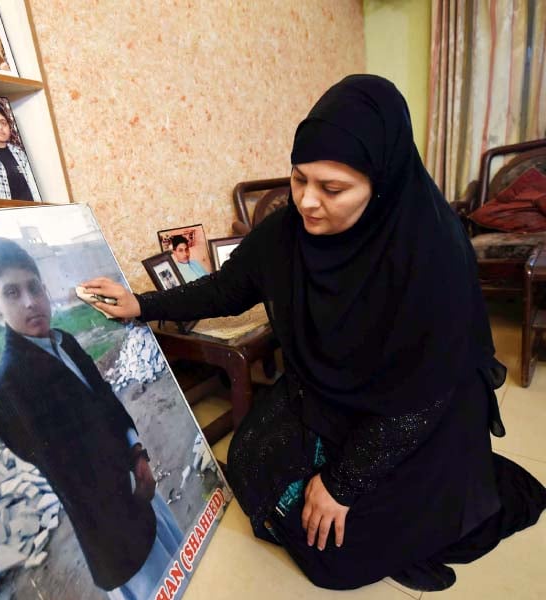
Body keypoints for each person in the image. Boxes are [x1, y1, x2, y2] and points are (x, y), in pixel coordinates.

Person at [81, 75, 546, 591]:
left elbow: (423, 396)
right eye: (299, 179)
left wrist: (343, 485)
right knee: (251, 461)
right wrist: (142, 304)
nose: (306, 202)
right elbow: (225, 290)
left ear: (383, 181)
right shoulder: (287, 232)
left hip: (417, 411)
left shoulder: (431, 251)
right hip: (332, 393)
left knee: (340, 556)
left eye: (333, 189)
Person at [0, 238, 183, 598]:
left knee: (183, 564)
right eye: (12, 293)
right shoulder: (8, 387)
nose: (29, 302)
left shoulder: (65, 341)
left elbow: (105, 400)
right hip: (109, 521)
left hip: (138, 484)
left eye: (34, 287)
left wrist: (137, 454)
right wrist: (129, 490)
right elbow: (67, 471)